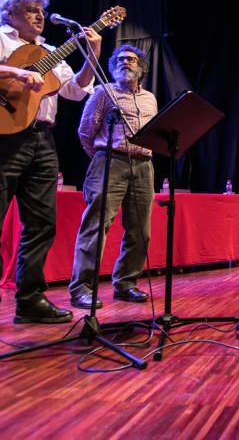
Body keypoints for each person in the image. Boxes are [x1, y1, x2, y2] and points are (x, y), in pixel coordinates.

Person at [0, 0, 101, 337]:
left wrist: (92, 54)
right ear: (10, 14)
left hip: (41, 140)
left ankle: (30, 300)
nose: (39, 17)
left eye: (42, 11)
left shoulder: (49, 51)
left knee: (42, 224)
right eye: (31, 10)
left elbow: (75, 91)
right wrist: (13, 74)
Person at [68, 45, 157, 308]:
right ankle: (82, 288)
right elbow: (85, 132)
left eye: (131, 59)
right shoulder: (103, 92)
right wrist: (102, 158)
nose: (125, 63)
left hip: (143, 165)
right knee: (96, 227)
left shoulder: (150, 98)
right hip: (109, 161)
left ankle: (126, 283)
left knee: (140, 231)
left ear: (141, 66)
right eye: (119, 60)